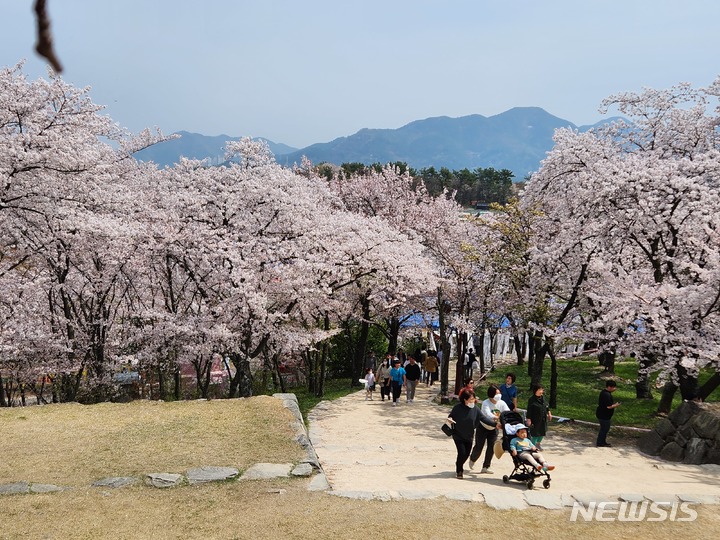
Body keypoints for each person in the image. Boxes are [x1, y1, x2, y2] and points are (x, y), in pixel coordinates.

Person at [446, 388, 495, 479]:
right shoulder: (457, 408)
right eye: (471, 399)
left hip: (469, 435)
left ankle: (459, 463)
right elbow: (451, 416)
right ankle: (459, 470)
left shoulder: (475, 409)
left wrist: (495, 424)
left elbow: (483, 419)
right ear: (465, 399)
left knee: (467, 453)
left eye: (474, 398)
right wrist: (450, 419)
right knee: (461, 452)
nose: (473, 401)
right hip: (458, 435)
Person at [469, 384, 508, 473]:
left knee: (491, 447)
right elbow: (487, 414)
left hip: (494, 429)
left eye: (499, 393)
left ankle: (486, 467)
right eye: (496, 394)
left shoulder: (502, 403)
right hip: (483, 427)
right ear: (491, 395)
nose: (499, 395)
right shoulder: (485, 403)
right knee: (479, 446)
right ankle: (472, 459)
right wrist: (496, 418)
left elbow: (507, 412)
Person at [526, 384, 551, 450]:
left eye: (542, 390)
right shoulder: (532, 399)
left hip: (543, 418)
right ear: (535, 391)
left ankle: (538, 444)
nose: (541, 391)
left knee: (542, 432)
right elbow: (529, 409)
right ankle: (532, 446)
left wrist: (549, 413)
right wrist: (528, 419)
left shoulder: (543, 398)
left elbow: (546, 406)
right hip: (535, 419)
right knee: (535, 433)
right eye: (539, 390)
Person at [596, 380, 620, 447]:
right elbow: (609, 406)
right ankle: (600, 442)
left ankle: (602, 441)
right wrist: (616, 405)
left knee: (604, 428)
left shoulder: (604, 392)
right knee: (605, 429)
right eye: (613, 387)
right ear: (609, 387)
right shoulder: (607, 395)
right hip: (604, 415)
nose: (615, 389)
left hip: (602, 413)